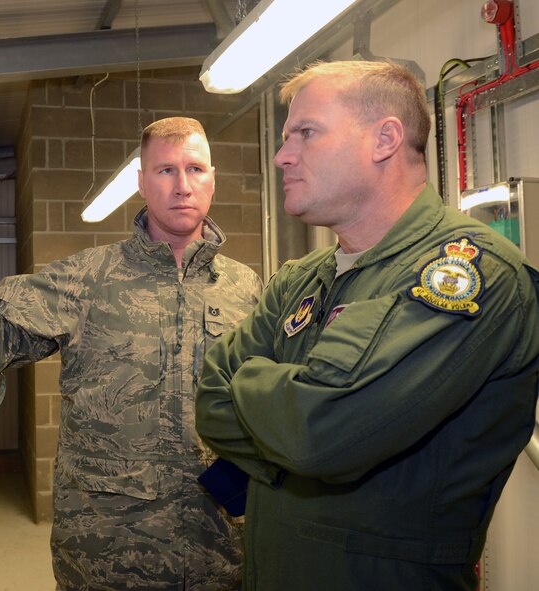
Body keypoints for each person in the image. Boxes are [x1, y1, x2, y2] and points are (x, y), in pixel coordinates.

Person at [0, 116, 262, 590]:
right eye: (165, 171)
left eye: (195, 169)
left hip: (219, 555)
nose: (182, 185)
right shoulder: (87, 277)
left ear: (213, 177)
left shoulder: (246, 287)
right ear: (141, 182)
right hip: (105, 556)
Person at [196, 60, 539, 591]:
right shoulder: (302, 279)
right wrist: (288, 420)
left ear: (385, 139)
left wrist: (262, 394)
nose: (282, 155)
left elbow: (321, 435)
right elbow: (209, 402)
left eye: (306, 133)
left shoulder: (472, 275)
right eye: (287, 137)